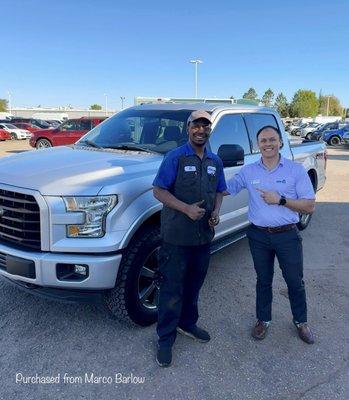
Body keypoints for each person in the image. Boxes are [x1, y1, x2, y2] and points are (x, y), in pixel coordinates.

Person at [227, 125, 315, 344]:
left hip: (287, 236)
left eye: (272, 140)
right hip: (258, 237)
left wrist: (281, 200)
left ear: (280, 142)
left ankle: (301, 322)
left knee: (295, 281)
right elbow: (228, 188)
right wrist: (207, 172)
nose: (268, 144)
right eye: (264, 140)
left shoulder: (295, 170)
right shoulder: (249, 171)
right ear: (258, 145)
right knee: (263, 280)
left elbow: (309, 206)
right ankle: (263, 320)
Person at [152, 110, 227, 367]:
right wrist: (185, 209)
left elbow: (219, 191)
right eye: (196, 125)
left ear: (209, 131)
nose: (201, 130)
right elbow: (159, 191)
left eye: (205, 126)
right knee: (172, 289)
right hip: (176, 237)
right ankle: (165, 338)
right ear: (188, 128)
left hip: (203, 237)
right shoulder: (175, 157)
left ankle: (187, 323)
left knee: (194, 285)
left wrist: (216, 211)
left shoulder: (215, 161)